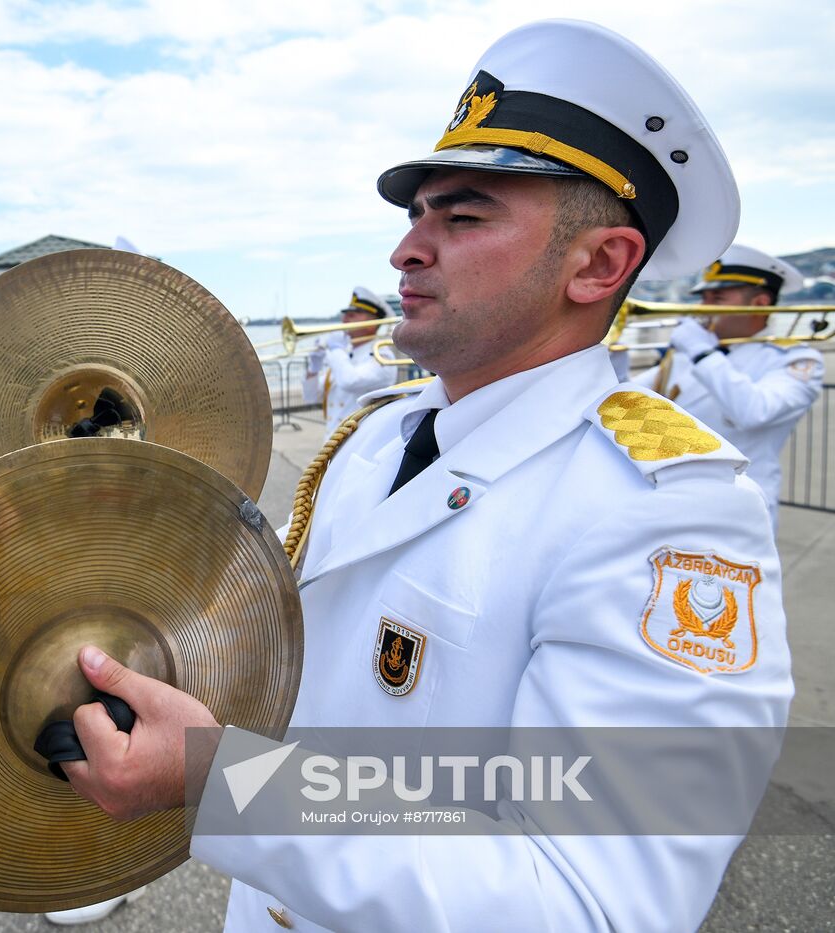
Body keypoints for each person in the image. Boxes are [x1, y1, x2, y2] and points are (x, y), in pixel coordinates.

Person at [51, 20, 791, 932]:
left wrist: (223, 786)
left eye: (464, 215)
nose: (407, 248)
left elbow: (595, 902)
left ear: (599, 264)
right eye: (415, 214)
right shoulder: (380, 434)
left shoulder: (670, 510)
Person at [645, 245, 824, 530]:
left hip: (735, 506)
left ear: (760, 303)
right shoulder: (694, 353)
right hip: (665, 495)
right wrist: (608, 356)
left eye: (717, 298)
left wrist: (703, 353)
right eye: (703, 298)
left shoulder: (796, 359)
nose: (703, 308)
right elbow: (625, 397)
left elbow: (754, 411)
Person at [301, 287, 399, 441]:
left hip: (360, 442)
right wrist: (314, 368)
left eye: (353, 315)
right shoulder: (343, 356)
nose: (345, 319)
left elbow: (350, 381)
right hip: (332, 441)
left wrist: (336, 350)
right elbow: (311, 397)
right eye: (345, 314)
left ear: (372, 323)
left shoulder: (383, 355)